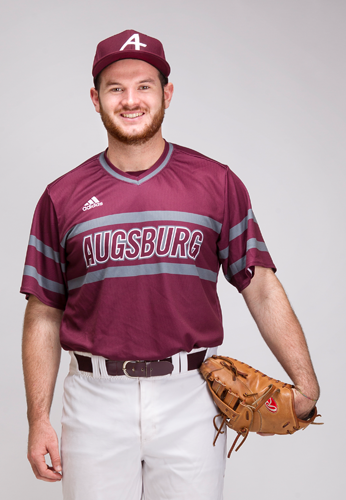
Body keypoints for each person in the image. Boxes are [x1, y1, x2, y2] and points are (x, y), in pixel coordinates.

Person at [20, 29, 320, 500]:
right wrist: (38, 419)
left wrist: (305, 383)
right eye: (116, 88)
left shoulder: (215, 183)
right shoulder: (62, 196)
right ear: (96, 99)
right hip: (95, 399)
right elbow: (43, 312)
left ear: (167, 94)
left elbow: (259, 284)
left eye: (144, 86)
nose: (131, 99)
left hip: (190, 395)